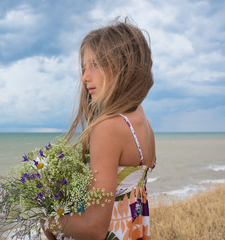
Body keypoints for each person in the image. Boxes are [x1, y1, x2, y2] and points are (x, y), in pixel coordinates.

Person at [44, 19, 156, 240]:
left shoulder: (108, 127)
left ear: (124, 67)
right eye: (84, 67)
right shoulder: (139, 117)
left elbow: (94, 228)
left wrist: (49, 222)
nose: (85, 77)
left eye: (94, 65)